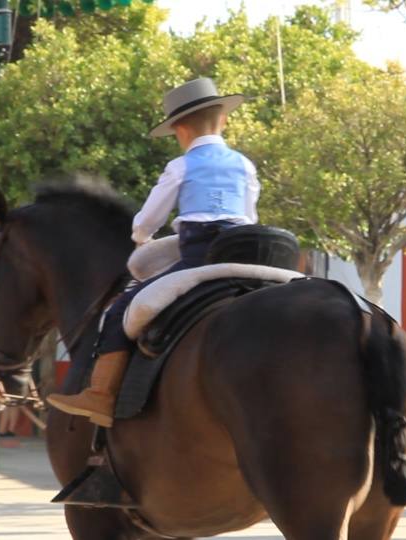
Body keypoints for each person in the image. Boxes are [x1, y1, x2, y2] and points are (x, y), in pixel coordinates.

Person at [47, 78, 260, 427]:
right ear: (223, 120)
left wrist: (141, 236)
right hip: (244, 250)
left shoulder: (180, 167)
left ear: (180, 130)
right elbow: (250, 216)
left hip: (199, 254)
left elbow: (149, 219)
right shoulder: (245, 165)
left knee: (121, 310)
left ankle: (101, 394)